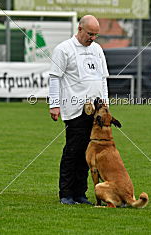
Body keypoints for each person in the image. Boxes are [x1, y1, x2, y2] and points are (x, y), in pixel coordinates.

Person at [48, 15, 109, 205]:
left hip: (96, 111)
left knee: (88, 154)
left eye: (96, 35)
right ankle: (66, 194)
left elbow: (102, 79)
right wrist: (54, 104)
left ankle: (81, 194)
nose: (92, 38)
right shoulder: (64, 49)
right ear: (80, 29)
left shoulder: (97, 49)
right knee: (72, 152)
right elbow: (54, 77)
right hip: (74, 108)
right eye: (90, 34)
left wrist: (105, 104)